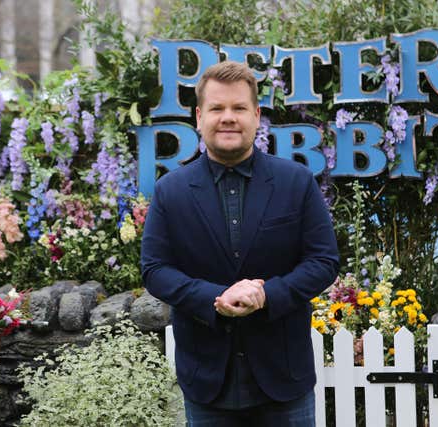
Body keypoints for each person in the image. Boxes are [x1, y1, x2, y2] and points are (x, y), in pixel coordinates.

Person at [141, 60, 340, 426]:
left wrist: (267, 295)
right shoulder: (171, 191)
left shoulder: (296, 182)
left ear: (256, 115)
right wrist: (214, 299)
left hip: (285, 381)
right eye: (217, 108)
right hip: (207, 383)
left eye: (238, 108)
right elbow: (155, 270)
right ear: (199, 117)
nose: (228, 117)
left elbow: (323, 261)